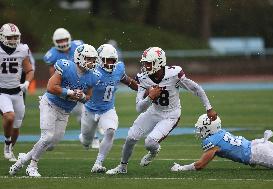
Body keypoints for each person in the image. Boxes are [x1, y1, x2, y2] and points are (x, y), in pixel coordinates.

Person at [106, 47, 217, 175]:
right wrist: (150, 97)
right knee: (131, 137)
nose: (145, 66)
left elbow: (196, 88)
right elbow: (139, 108)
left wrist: (209, 108)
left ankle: (154, 151)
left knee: (150, 143)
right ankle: (122, 167)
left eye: (148, 63)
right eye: (144, 63)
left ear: (159, 62)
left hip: (171, 115)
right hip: (154, 111)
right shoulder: (143, 78)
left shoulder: (174, 73)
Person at [9, 44, 100, 177]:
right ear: (79, 57)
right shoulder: (67, 67)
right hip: (50, 104)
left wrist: (82, 96)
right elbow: (51, 87)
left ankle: (22, 159)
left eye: (93, 59)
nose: (91, 62)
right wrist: (70, 92)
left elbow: (88, 98)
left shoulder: (92, 76)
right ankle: (32, 166)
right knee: (47, 137)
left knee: (51, 142)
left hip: (65, 111)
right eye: (88, 59)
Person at [79, 44, 138, 173]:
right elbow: (81, 87)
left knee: (110, 131)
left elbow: (126, 80)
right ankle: (84, 139)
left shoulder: (118, 68)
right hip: (90, 110)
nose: (110, 63)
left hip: (107, 109)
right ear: (100, 59)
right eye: (107, 60)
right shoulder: (93, 72)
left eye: (113, 60)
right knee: (86, 140)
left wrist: (141, 89)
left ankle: (98, 163)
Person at [43, 28, 100, 148]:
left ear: (69, 39)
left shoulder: (79, 46)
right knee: (75, 114)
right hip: (66, 88)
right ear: (54, 41)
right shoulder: (52, 55)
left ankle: (92, 137)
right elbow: (53, 75)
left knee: (85, 112)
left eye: (64, 40)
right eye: (60, 40)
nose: (63, 43)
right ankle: (49, 137)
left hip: (81, 85)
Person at [170, 114, 273, 171]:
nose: (200, 130)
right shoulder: (220, 132)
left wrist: (181, 168)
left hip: (257, 152)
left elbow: (200, 165)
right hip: (258, 145)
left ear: (210, 128)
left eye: (202, 128)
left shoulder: (211, 141)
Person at [0, 23, 34, 162]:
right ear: (2, 37)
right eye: (10, 37)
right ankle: (7, 143)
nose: (14, 40)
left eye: (16, 37)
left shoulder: (22, 49)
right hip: (2, 92)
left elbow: (29, 70)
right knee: (9, 116)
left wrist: (27, 82)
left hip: (17, 92)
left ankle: (10, 148)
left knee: (16, 126)